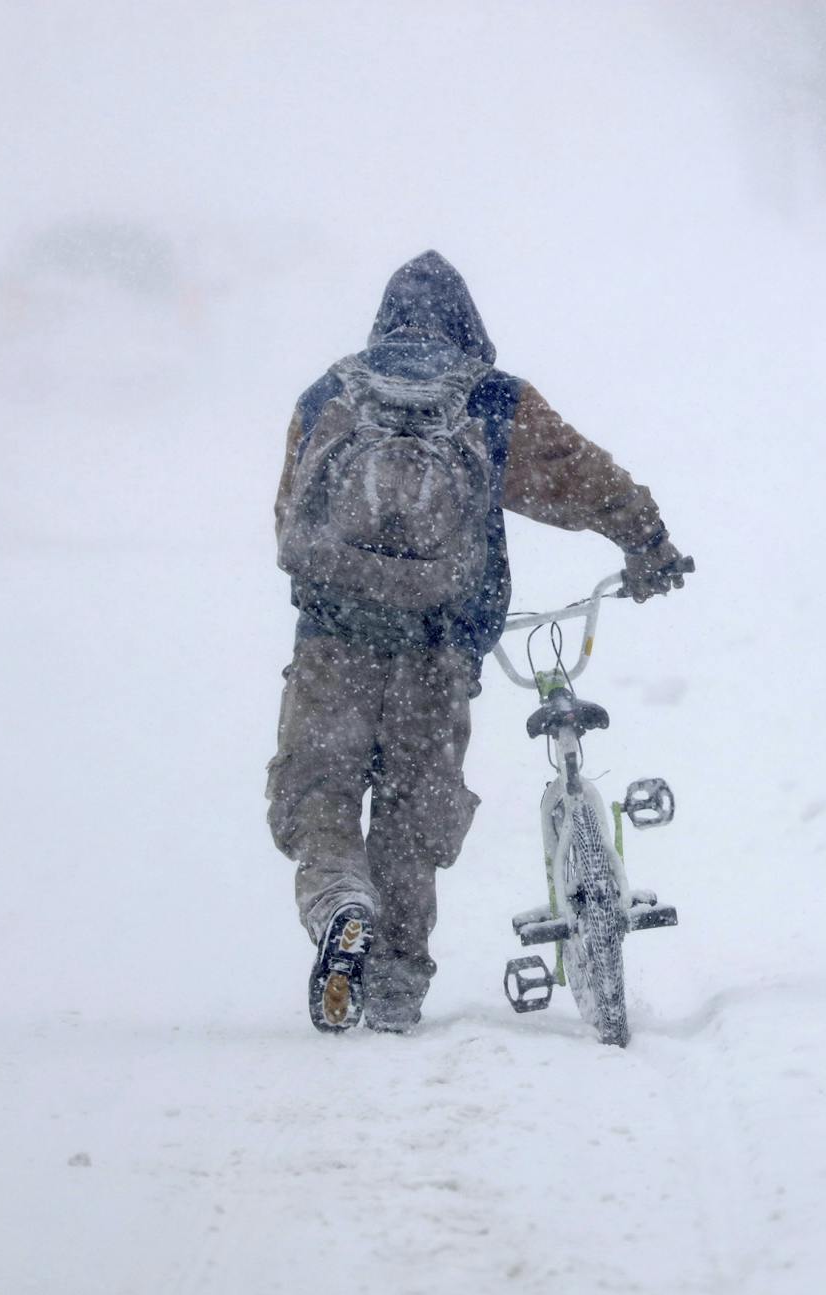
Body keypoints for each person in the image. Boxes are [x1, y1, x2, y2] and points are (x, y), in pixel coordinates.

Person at [267, 251, 685, 1035]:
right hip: (436, 650)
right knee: (411, 814)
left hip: (333, 647)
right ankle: (393, 982)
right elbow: (582, 480)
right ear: (469, 323)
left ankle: (339, 904)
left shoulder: (330, 394)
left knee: (319, 794)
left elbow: (289, 522)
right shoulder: (491, 401)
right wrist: (648, 541)